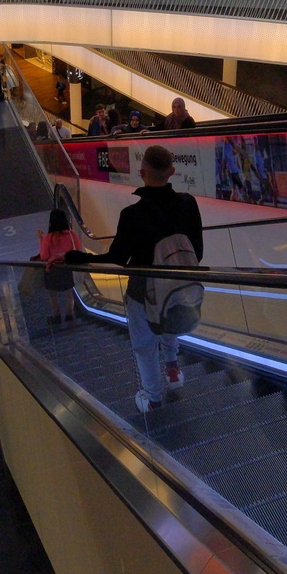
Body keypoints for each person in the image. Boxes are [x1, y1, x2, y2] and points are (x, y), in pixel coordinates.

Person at [97, 145, 202, 411]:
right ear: (172, 172)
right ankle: (173, 370)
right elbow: (197, 251)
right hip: (178, 284)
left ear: (142, 172)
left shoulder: (131, 215)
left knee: (144, 345)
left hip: (142, 291)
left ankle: (153, 397)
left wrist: (74, 257)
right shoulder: (189, 203)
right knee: (169, 322)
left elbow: (117, 258)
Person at [38, 208, 81, 325]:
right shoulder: (72, 234)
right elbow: (78, 249)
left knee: (53, 295)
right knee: (69, 293)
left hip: (52, 269)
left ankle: (57, 316)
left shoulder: (48, 237)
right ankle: (69, 314)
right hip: (66, 268)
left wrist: (41, 239)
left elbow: (44, 256)